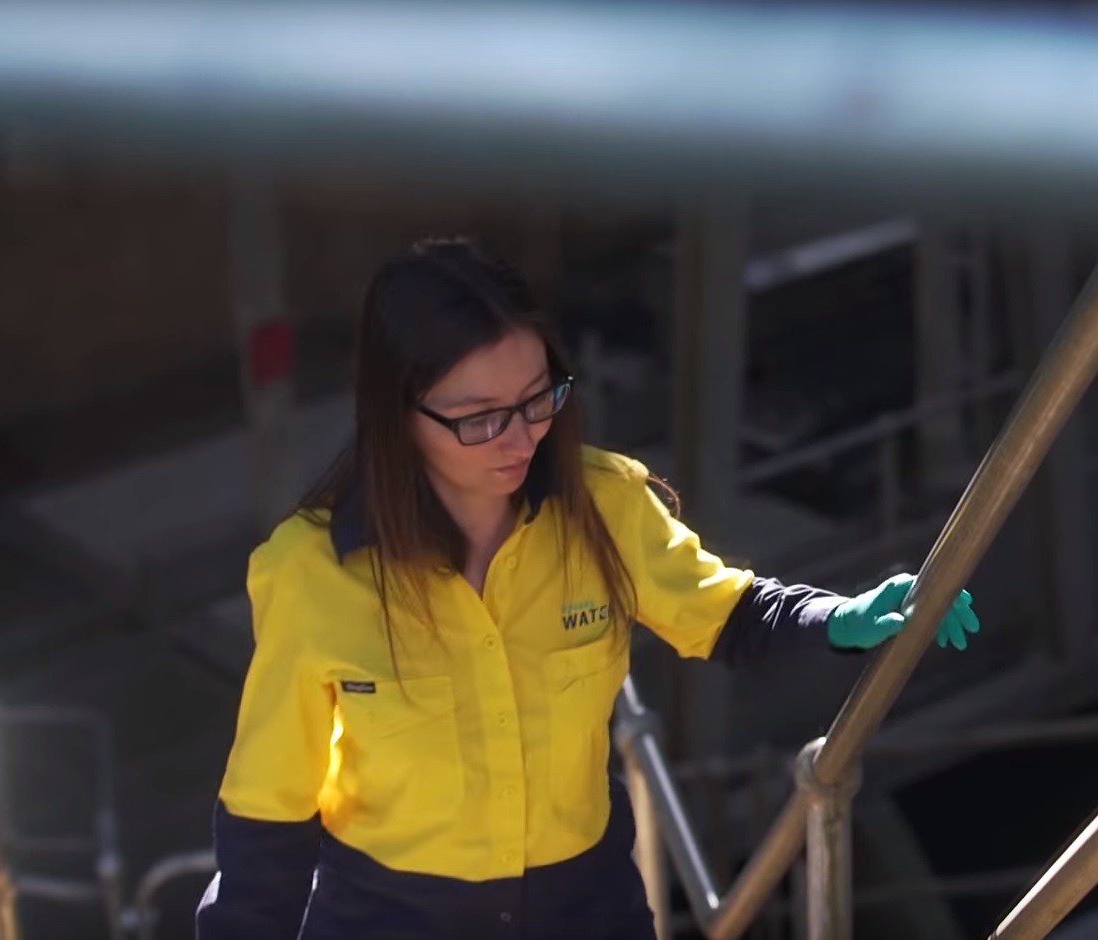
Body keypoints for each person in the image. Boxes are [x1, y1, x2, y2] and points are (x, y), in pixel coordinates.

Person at [196, 237, 980, 940]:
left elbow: (728, 613)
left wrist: (846, 616)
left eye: (539, 399)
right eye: (479, 418)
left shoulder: (605, 505)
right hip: (388, 915)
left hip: (586, 908)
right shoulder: (310, 571)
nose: (521, 437)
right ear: (397, 413)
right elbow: (270, 810)